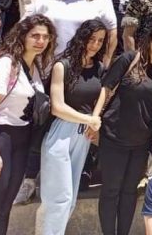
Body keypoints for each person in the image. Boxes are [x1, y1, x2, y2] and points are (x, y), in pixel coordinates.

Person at [0, 15, 56, 234]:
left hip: (22, 139)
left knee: (4, 209)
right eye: (35, 35)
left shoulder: (35, 66)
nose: (41, 41)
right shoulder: (6, 64)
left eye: (45, 37)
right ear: (22, 36)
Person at [92, 22, 152, 235]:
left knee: (130, 192)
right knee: (111, 190)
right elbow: (107, 87)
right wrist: (94, 118)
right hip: (114, 136)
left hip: (141, 142)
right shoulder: (129, 59)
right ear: (149, 40)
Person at [38, 20, 106, 235]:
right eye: (91, 39)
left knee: (71, 198)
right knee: (59, 197)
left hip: (83, 135)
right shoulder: (63, 65)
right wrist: (89, 120)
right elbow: (57, 107)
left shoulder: (99, 67)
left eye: (100, 41)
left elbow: (103, 96)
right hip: (61, 131)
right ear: (81, 37)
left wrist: (95, 119)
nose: (95, 44)